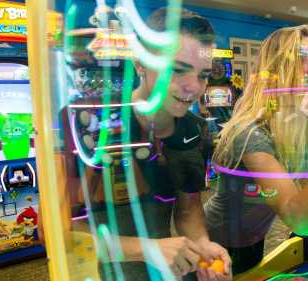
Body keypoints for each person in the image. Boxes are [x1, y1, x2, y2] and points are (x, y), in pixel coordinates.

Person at [71, 8, 232, 281]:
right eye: (177, 69)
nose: (193, 87)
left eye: (203, 75)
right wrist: (147, 249)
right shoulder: (90, 122)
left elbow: (188, 208)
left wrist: (202, 244)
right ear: (140, 63)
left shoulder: (196, 129)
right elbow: (55, 232)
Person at [204, 25, 308, 274]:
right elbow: (299, 218)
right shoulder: (252, 131)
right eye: (302, 58)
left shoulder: (296, 123)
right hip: (217, 241)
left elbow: (299, 191)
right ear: (278, 69)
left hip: (255, 235)